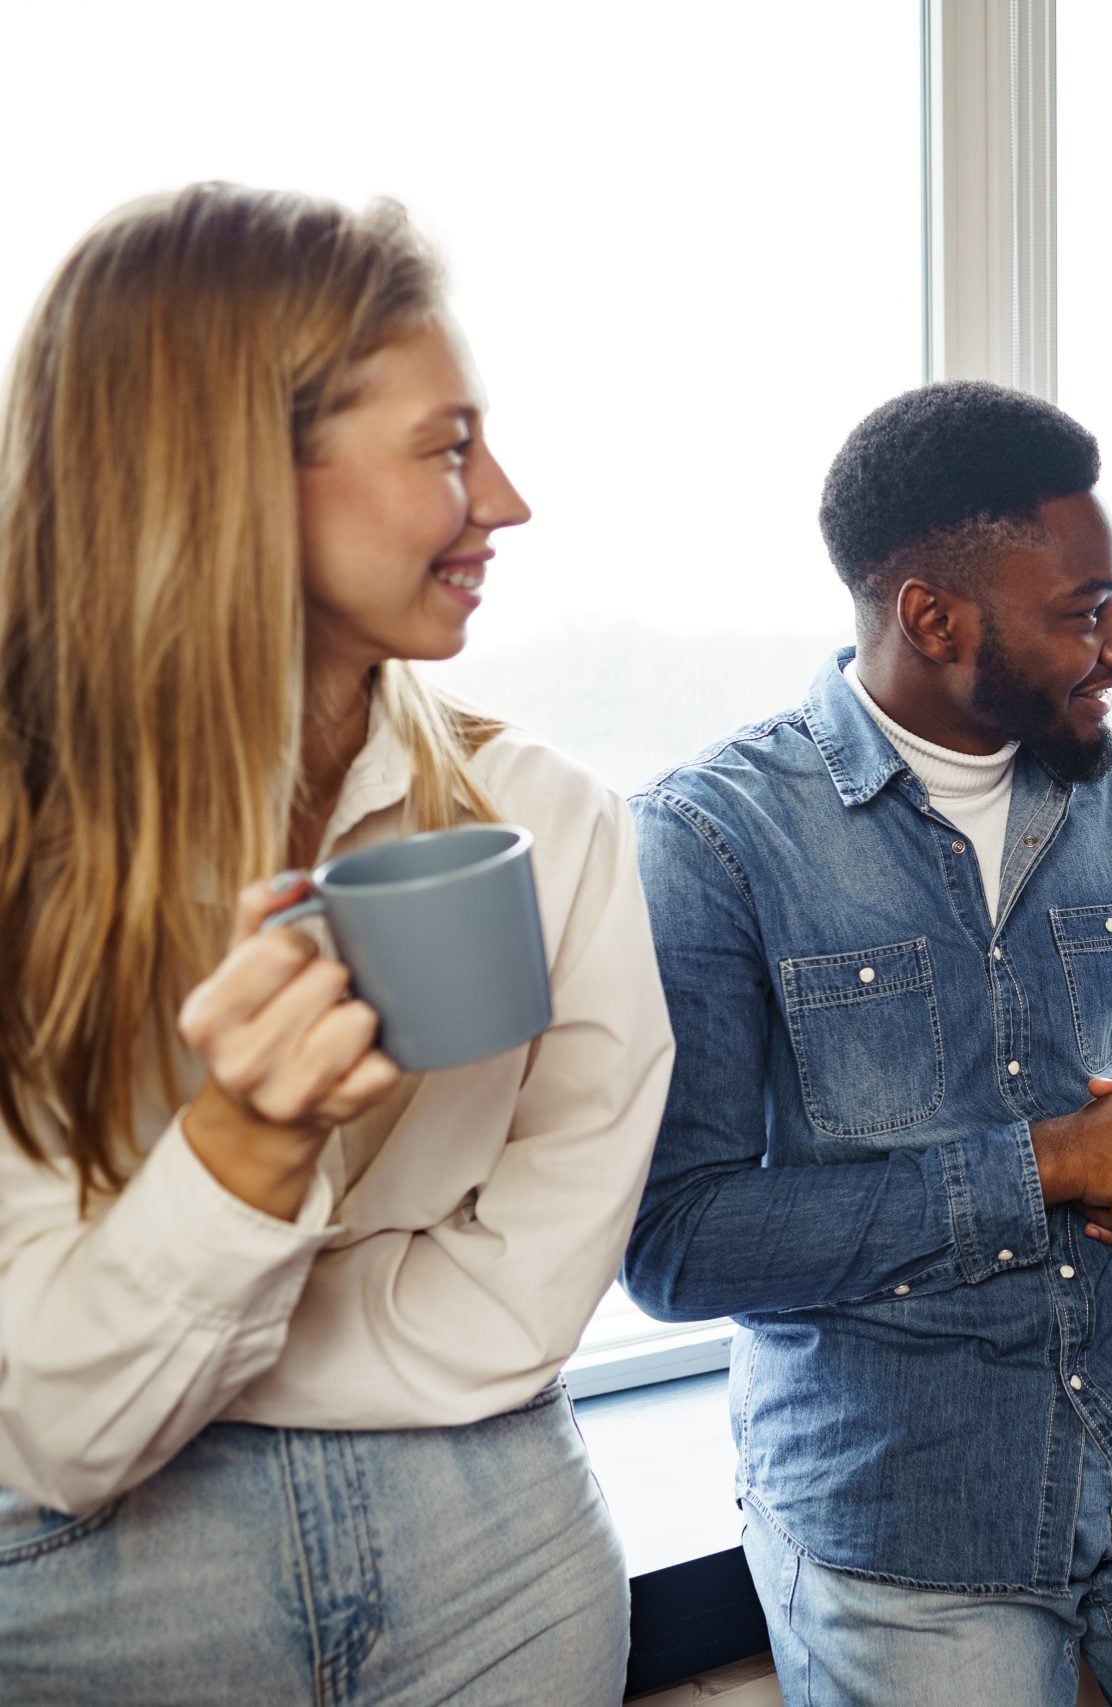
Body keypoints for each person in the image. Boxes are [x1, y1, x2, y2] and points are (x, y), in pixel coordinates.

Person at [0, 184, 675, 1705]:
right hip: (75, 1577)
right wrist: (245, 1144)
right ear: (239, 471)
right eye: (446, 446)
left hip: (495, 1543)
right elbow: (57, 1440)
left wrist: (191, 1352)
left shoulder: (546, 822)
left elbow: (534, 1288)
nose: (503, 499)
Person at [622, 381, 1112, 1707]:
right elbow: (682, 1242)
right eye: (1082, 611)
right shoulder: (712, 839)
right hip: (910, 1509)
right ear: (933, 616)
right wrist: (1053, 1165)